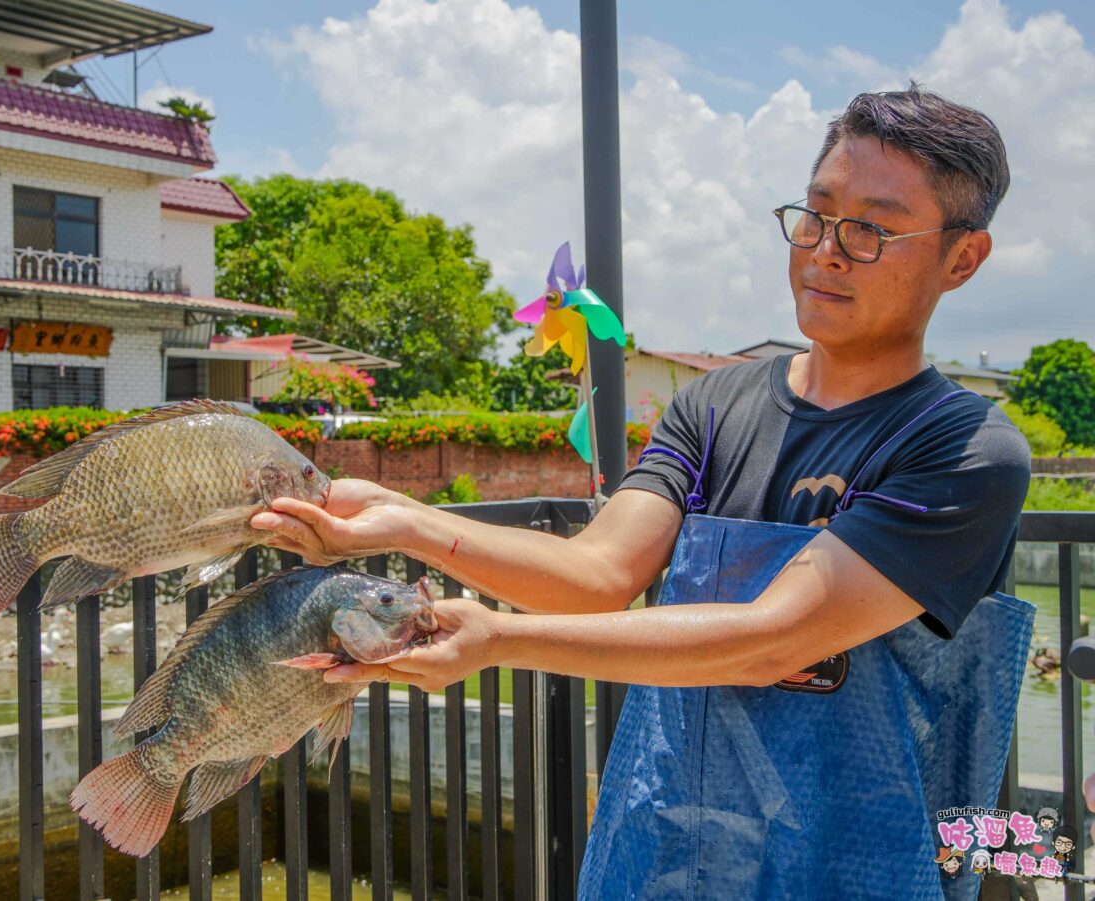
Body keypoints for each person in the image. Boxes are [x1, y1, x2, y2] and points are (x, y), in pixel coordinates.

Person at [253, 85, 1034, 897]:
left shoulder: (967, 450)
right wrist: (404, 519)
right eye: (815, 213)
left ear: (962, 257)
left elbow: (775, 639)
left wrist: (498, 639)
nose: (827, 249)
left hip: (855, 859)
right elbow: (596, 575)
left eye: (871, 228)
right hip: (668, 849)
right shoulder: (713, 405)